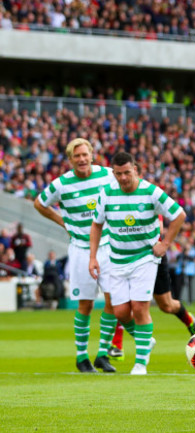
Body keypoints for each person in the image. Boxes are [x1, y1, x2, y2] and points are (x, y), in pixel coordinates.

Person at [89, 151, 186, 375]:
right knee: (121, 311)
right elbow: (96, 225)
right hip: (117, 259)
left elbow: (179, 214)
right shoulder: (106, 194)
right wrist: (93, 257)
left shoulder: (150, 191)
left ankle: (140, 363)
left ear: (135, 170)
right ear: (113, 173)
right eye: (119, 174)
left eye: (127, 172)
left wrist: (166, 243)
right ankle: (146, 340)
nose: (123, 178)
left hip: (145, 258)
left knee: (140, 307)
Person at [34, 138, 118, 373]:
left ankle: (103, 354)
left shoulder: (108, 175)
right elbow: (39, 203)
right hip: (81, 248)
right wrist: (62, 221)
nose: (81, 159)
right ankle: (82, 357)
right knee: (86, 303)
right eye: (76, 156)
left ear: (92, 155)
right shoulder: (61, 184)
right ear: (70, 160)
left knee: (113, 299)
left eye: (85, 154)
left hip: (108, 246)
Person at [107, 219, 195, 361]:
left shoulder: (150, 197)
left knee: (167, 306)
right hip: (129, 256)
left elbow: (160, 225)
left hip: (153, 255)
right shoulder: (117, 199)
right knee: (123, 300)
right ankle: (117, 345)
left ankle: (190, 321)